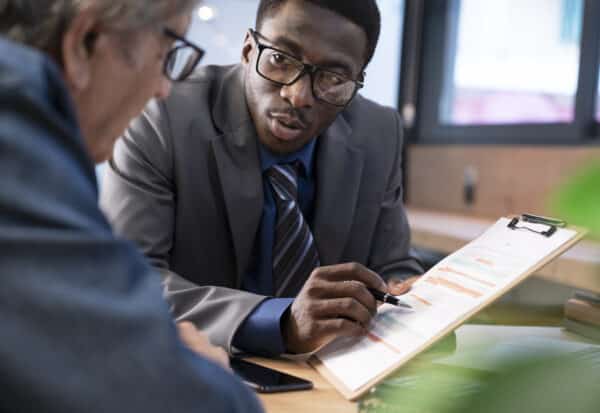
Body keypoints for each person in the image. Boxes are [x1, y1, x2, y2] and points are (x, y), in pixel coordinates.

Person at [101, 0, 424, 356]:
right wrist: (281, 322)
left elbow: (393, 266)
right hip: (197, 365)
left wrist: (409, 295)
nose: (297, 95)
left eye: (332, 79)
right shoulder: (162, 115)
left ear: (356, 84)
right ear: (248, 49)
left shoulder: (379, 133)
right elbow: (125, 279)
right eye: (281, 59)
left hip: (330, 376)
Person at [0, 1, 262, 412]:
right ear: (84, 41)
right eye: (166, 51)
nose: (162, 88)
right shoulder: (15, 139)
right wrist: (193, 371)